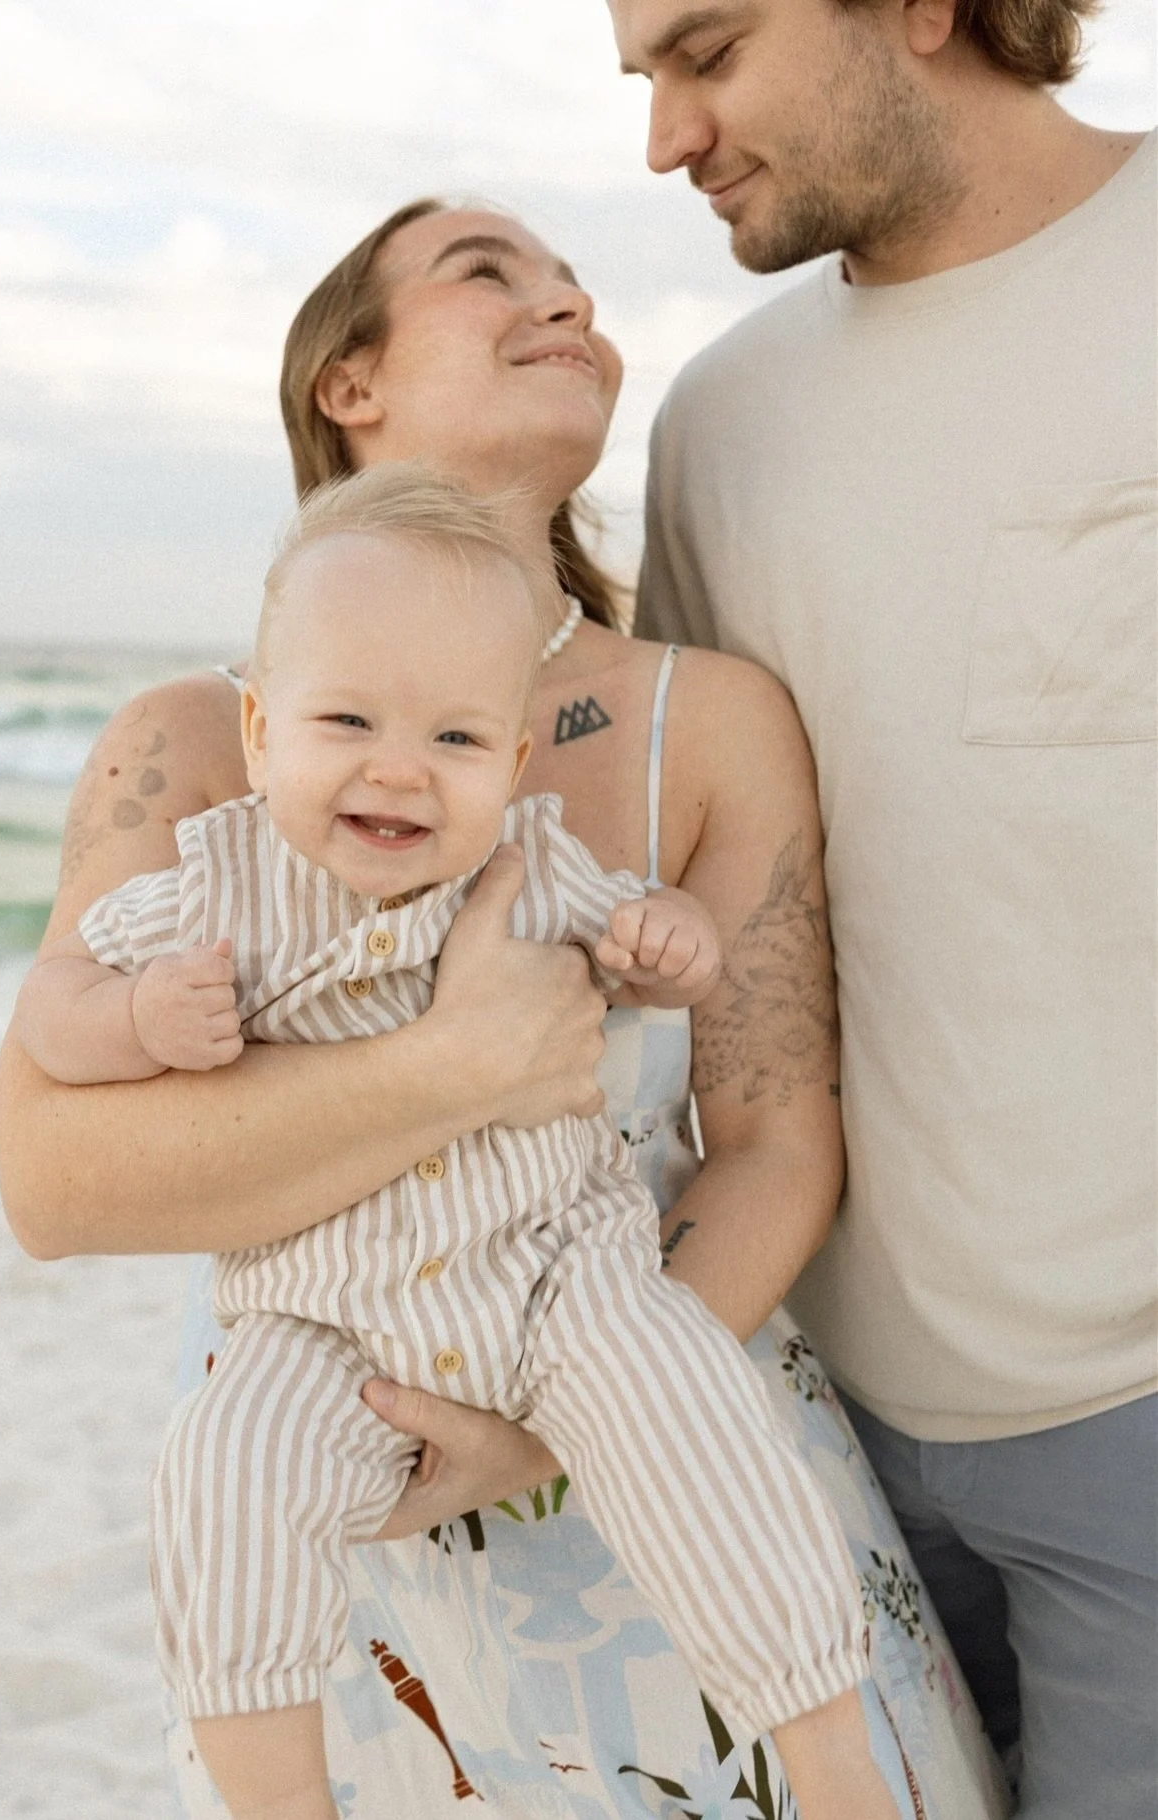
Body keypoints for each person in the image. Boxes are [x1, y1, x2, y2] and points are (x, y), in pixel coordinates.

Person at [0, 198, 1006, 1817]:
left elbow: (772, 1146)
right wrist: (452, 1066)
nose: (564, 299)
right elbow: (48, 1184)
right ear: (350, 381)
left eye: (576, 285)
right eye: (488, 274)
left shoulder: (709, 719)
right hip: (332, 1465)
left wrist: (539, 1437)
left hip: (657, 1425)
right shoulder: (193, 746)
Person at [612, 0, 1157, 1814]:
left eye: (708, 52)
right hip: (817, 1427)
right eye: (647, 84)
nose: (668, 139)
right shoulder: (721, 423)